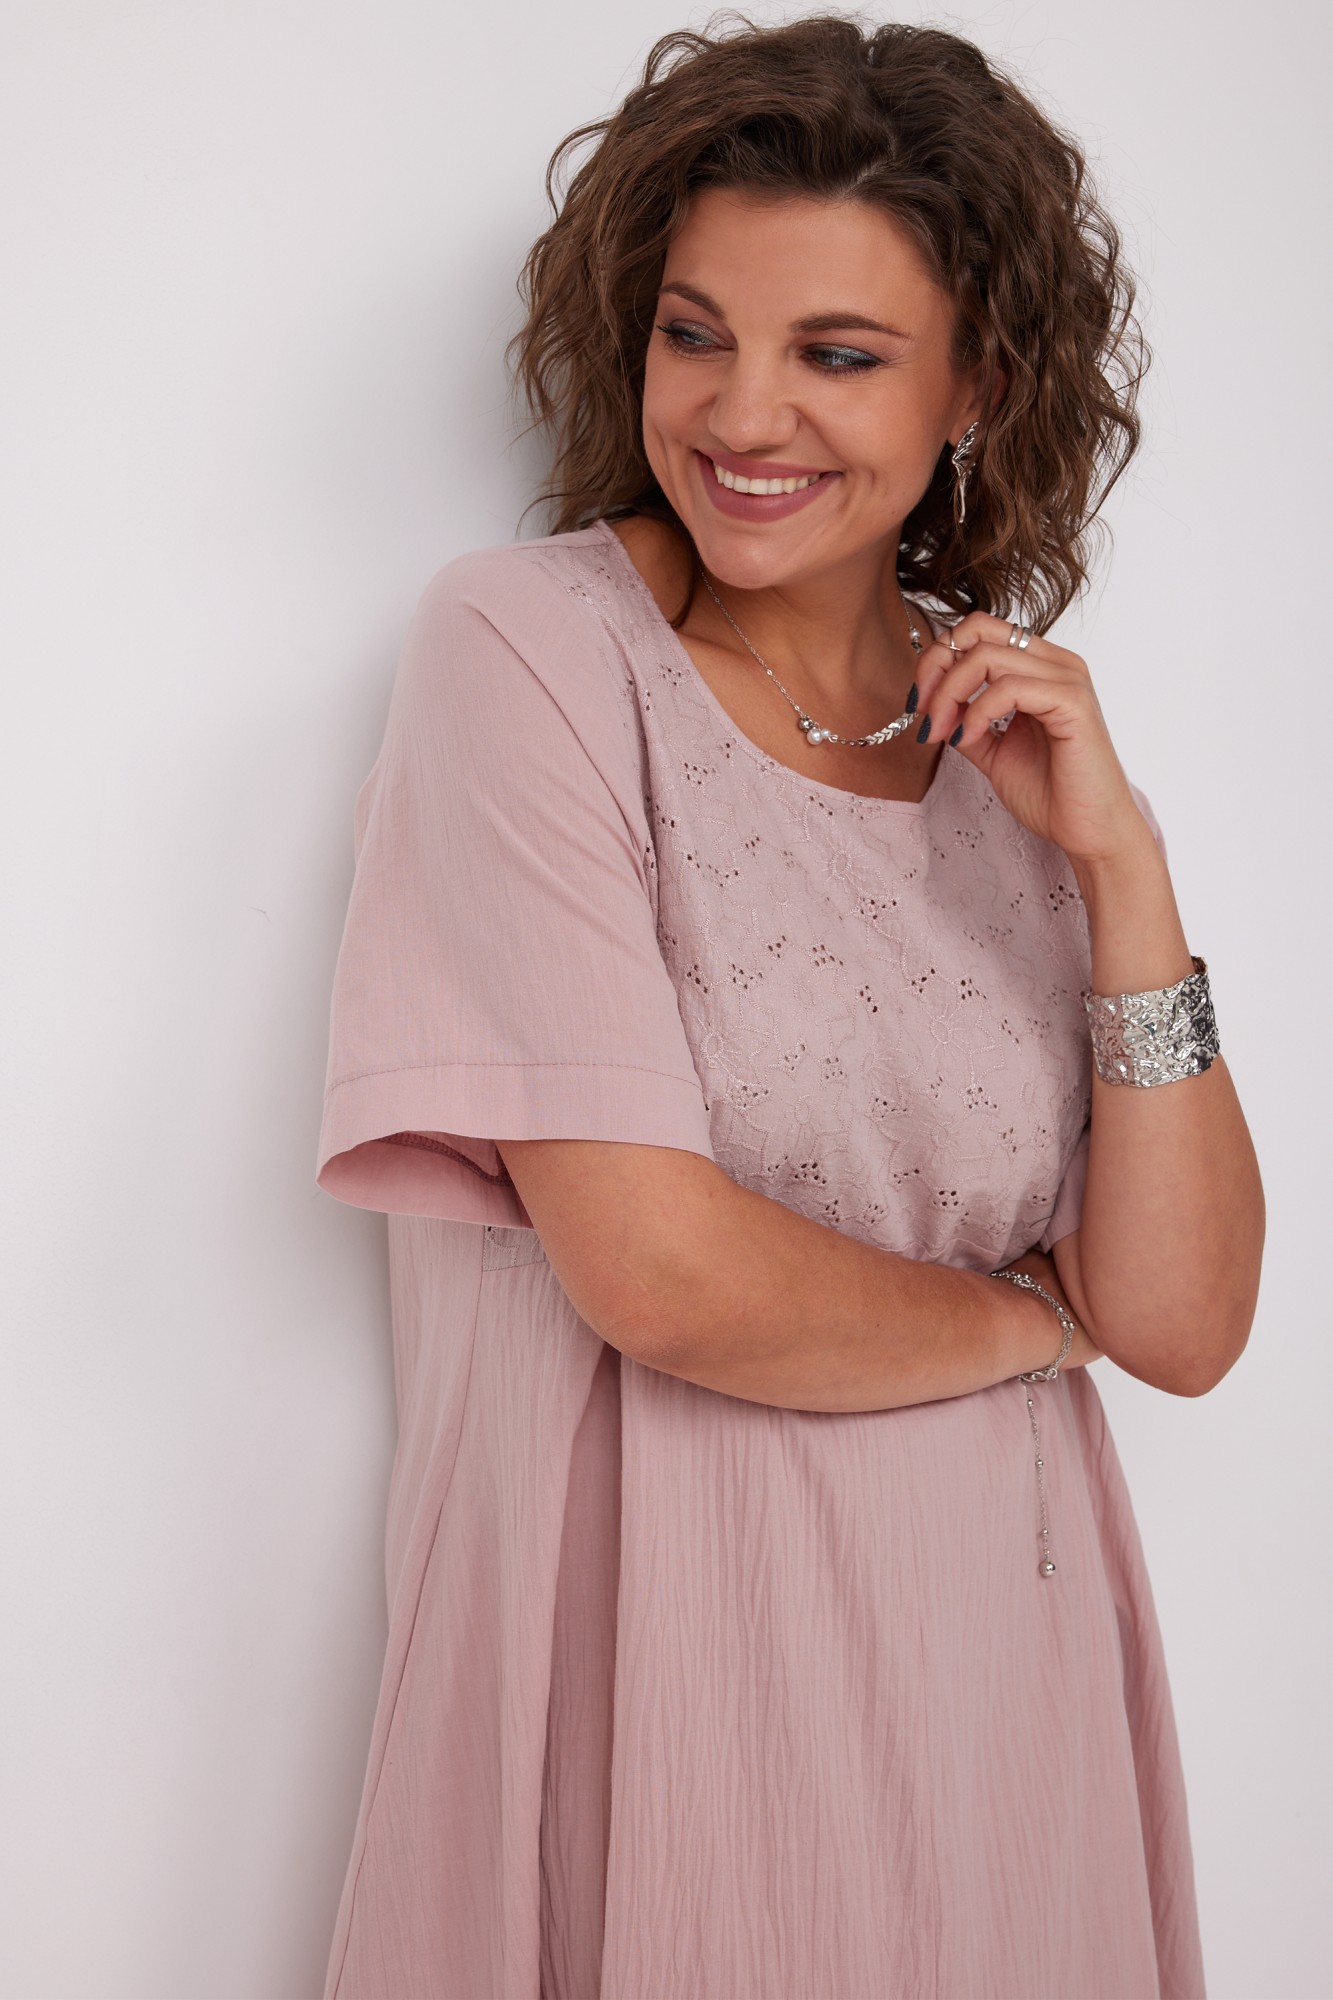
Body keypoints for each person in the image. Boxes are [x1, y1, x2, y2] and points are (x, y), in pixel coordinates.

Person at [313, 15, 1263, 1997]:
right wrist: (1031, 1325)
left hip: (1006, 1671)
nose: (742, 412)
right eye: (695, 333)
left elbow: (1178, 1324)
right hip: (673, 1656)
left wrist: (1125, 875)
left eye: (837, 354)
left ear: (976, 384)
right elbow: (658, 1273)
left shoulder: (1006, 739)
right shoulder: (531, 650)